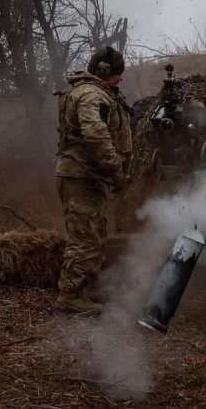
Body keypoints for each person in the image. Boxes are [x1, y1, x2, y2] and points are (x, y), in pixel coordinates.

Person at [54, 46, 133, 314]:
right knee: (84, 239)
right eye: (117, 74)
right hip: (81, 176)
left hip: (88, 176)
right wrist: (115, 170)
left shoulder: (97, 93)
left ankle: (85, 287)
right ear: (103, 71)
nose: (121, 79)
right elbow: (96, 136)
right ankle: (70, 296)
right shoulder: (90, 95)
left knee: (94, 234)